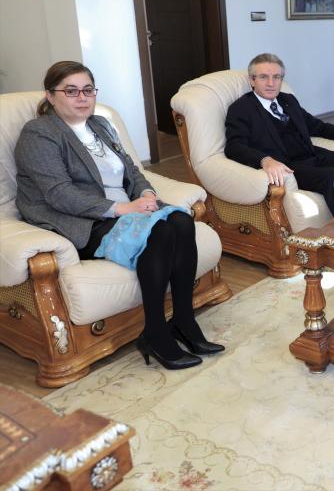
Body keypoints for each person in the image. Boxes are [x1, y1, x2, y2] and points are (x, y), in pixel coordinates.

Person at [15, 61, 222, 370]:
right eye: (71, 91)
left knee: (181, 220)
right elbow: (59, 193)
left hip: (127, 209)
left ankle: (183, 321)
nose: (82, 98)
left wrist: (146, 193)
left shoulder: (100, 124)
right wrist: (122, 209)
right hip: (83, 220)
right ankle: (155, 334)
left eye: (88, 90)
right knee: (161, 232)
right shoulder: (39, 133)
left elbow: (132, 171)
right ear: (50, 95)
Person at [225, 53, 334, 216]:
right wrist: (265, 160)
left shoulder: (288, 100)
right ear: (252, 80)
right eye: (263, 77)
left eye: (276, 77)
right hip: (290, 167)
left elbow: (317, 126)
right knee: (333, 176)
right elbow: (234, 147)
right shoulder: (241, 109)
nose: (271, 83)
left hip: (313, 156)